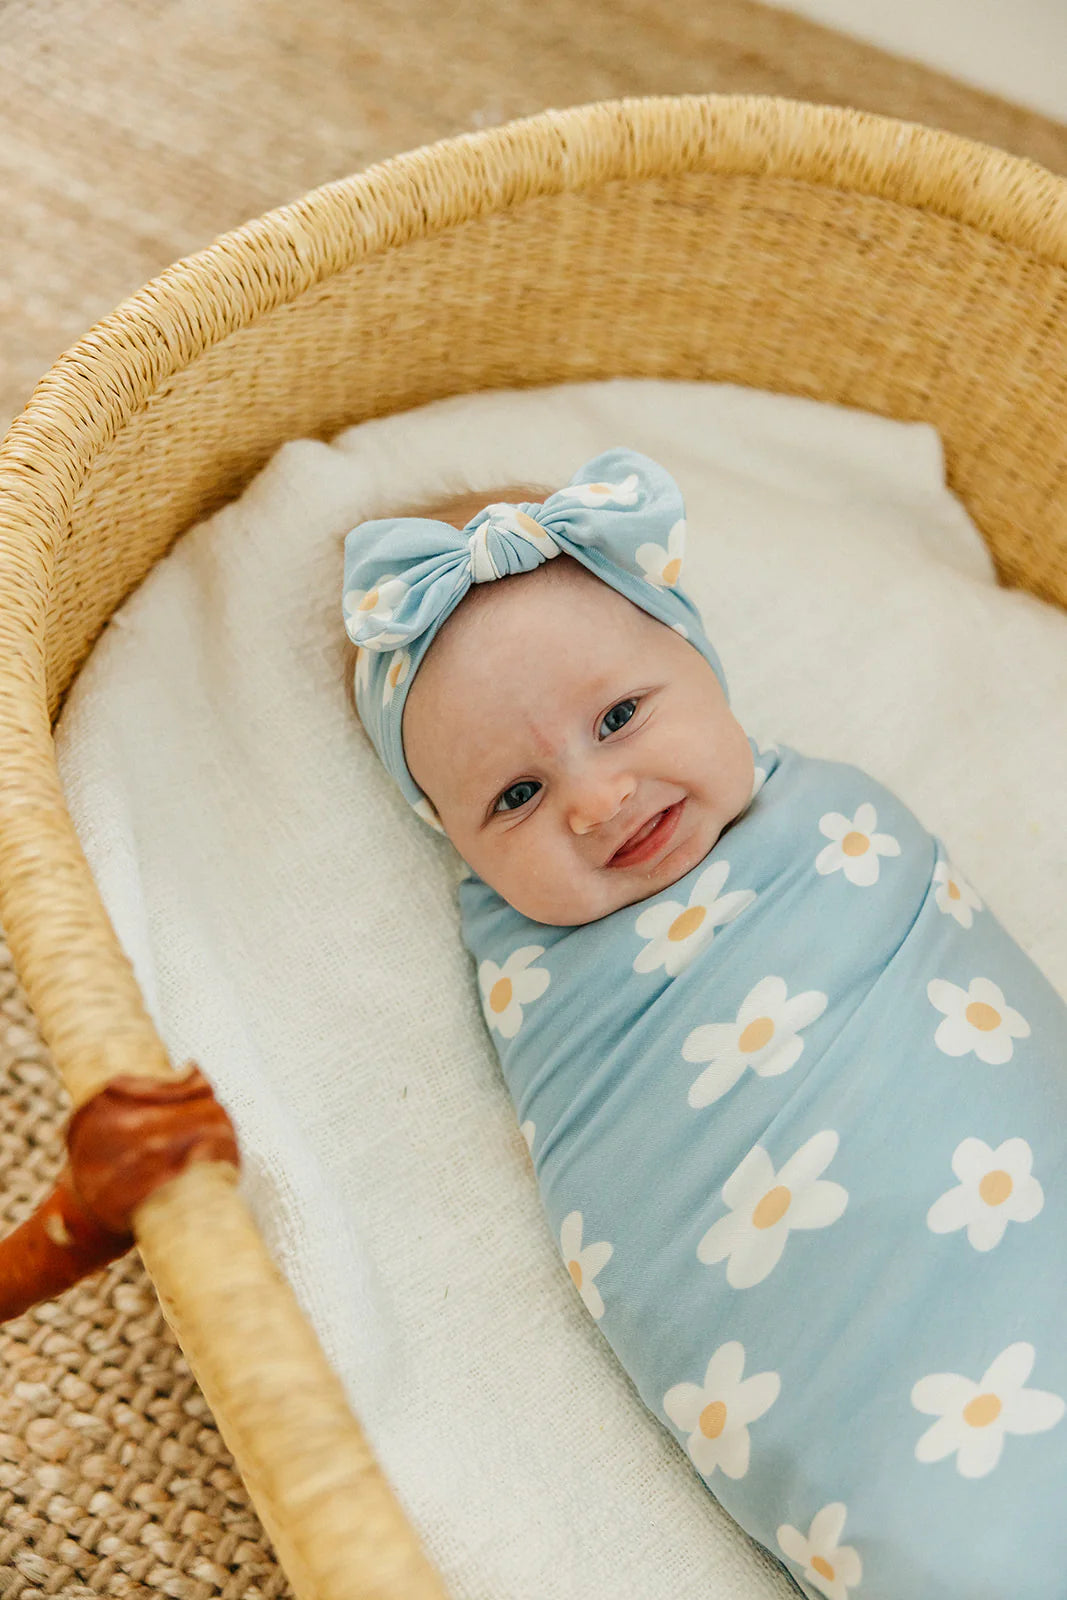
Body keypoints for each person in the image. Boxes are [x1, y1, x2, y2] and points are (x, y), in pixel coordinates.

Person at [342, 448, 1066, 1599]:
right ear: (459, 850)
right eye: (514, 797)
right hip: (882, 1406)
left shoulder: (832, 825)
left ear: (701, 660)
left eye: (619, 715)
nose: (594, 797)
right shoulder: (557, 1001)